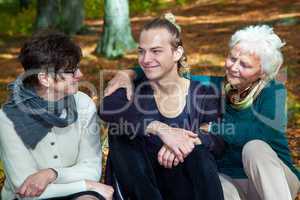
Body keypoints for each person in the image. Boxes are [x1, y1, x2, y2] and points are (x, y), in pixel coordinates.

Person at [104, 25, 300, 200]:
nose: (234, 67)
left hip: (275, 181)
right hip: (231, 179)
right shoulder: (214, 86)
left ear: (263, 73)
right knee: (216, 186)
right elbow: (170, 70)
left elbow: (259, 131)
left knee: (254, 147)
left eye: (245, 65)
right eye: (232, 58)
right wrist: (129, 73)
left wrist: (207, 130)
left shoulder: (272, 91)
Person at [99, 13, 224, 200]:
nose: (146, 59)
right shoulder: (132, 89)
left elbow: (219, 140)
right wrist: (161, 129)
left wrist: (185, 142)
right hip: (141, 188)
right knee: (122, 132)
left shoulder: (203, 94)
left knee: (199, 152)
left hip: (185, 186)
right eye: (141, 51)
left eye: (156, 51)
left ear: (177, 53)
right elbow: (106, 107)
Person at [0, 31, 114, 200]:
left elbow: (91, 168)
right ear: (45, 78)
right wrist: (86, 185)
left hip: (76, 193)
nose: (80, 75)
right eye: (71, 71)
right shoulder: (8, 118)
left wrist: (51, 174)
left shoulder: (83, 104)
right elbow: (24, 188)